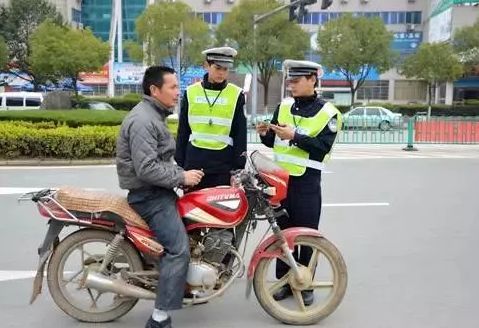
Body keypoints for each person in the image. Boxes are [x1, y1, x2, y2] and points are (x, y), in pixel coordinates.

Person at [116, 66, 204, 328]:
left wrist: (184, 174)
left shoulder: (154, 115)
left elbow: (160, 160)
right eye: (173, 87)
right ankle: (159, 318)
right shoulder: (144, 120)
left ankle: (181, 285)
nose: (178, 92)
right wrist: (181, 177)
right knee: (179, 250)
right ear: (155, 90)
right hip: (150, 196)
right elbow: (146, 168)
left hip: (159, 190)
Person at [256, 59, 342, 307]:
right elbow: (274, 142)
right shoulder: (283, 106)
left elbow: (321, 148)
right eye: (290, 81)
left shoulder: (329, 113)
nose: (291, 85)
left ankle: (305, 284)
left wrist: (295, 136)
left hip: (307, 183)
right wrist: (265, 134)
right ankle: (283, 280)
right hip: (279, 181)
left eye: (296, 81)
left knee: (306, 235)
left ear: (312, 80)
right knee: (282, 233)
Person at [175, 47, 247, 191]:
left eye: (226, 69)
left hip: (222, 167)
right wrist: (180, 165)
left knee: (222, 211)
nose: (222, 73)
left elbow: (240, 134)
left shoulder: (236, 94)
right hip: (194, 164)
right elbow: (183, 131)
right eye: (218, 68)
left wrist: (238, 168)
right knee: (192, 211)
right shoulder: (191, 92)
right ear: (206, 66)